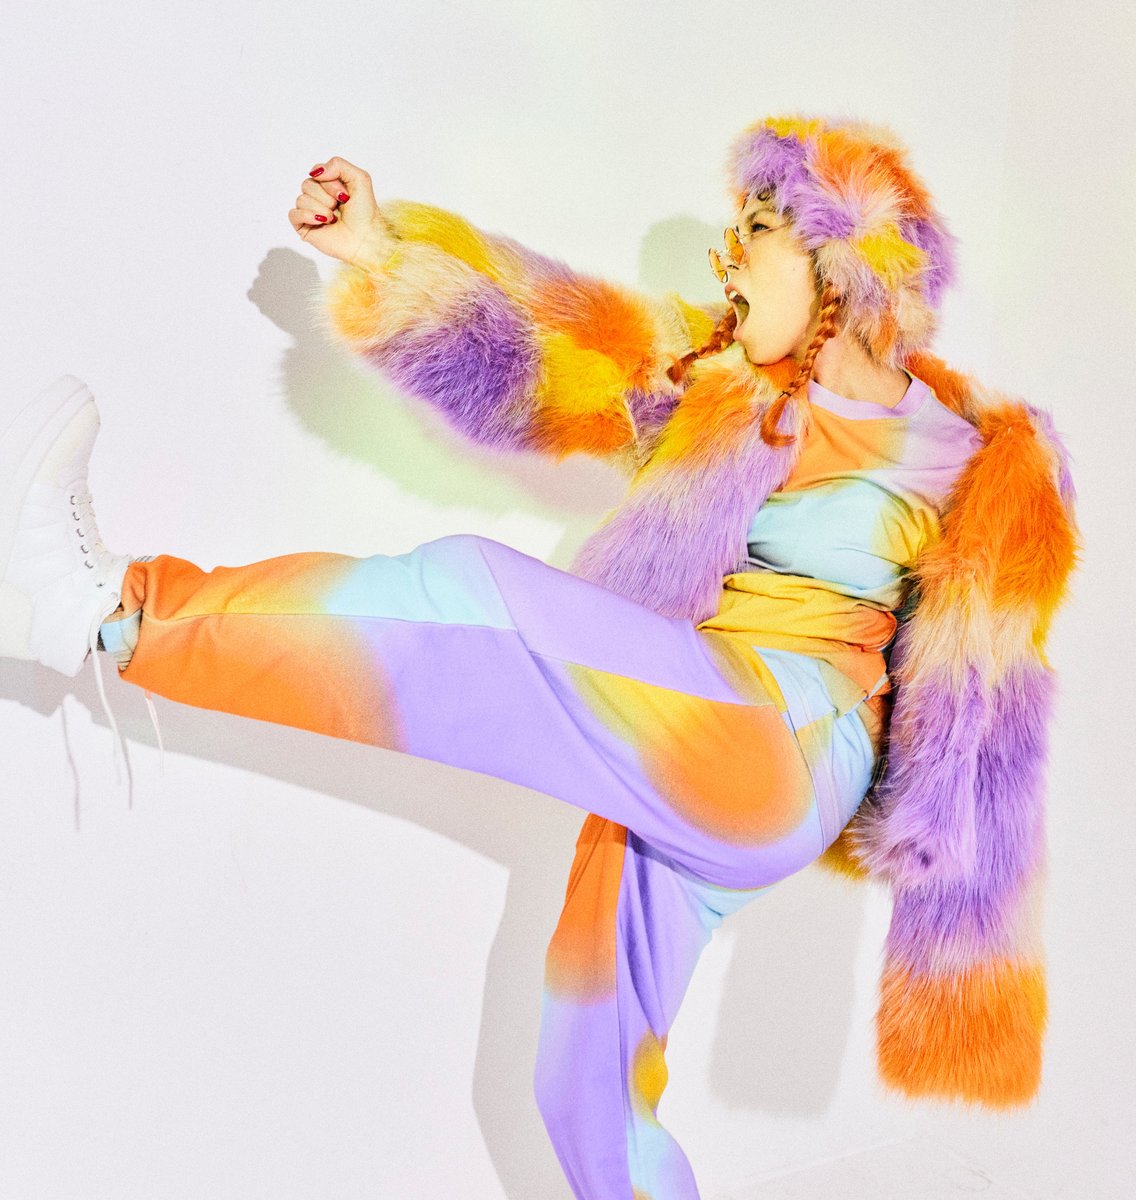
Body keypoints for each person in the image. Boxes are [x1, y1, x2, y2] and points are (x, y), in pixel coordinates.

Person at [0, 114, 1078, 1200]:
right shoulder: (721, 373)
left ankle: (103, 611)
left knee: (473, 595)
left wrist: (960, 965)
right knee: (584, 1085)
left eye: (757, 230)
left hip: (784, 745)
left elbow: (994, 723)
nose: (728, 257)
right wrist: (381, 252)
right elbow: (553, 354)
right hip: (683, 741)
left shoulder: (980, 454)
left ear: (843, 264)